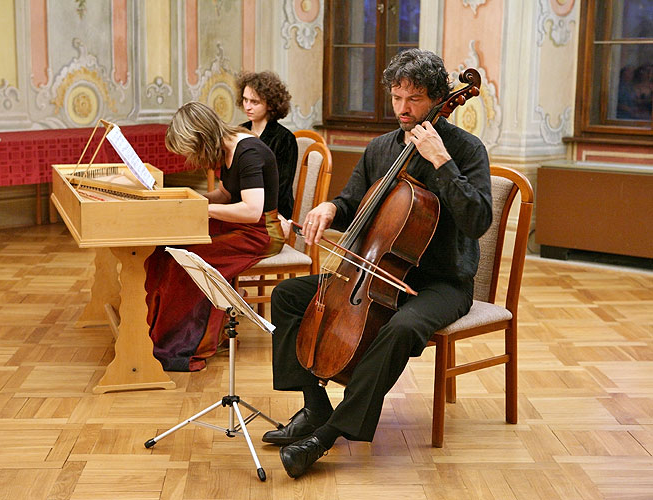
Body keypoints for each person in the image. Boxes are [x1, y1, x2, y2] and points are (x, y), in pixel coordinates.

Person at [262, 49, 493, 478]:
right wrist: (330, 208)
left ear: (441, 98)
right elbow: (353, 202)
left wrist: (442, 162)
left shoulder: (465, 149)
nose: (403, 109)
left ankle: (328, 433)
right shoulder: (382, 148)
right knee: (288, 297)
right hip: (374, 273)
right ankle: (314, 406)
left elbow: (478, 219)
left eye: (416, 98)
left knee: (401, 328)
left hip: (441, 284)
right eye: (396, 97)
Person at [144, 101, 284, 371]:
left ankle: (184, 345)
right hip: (241, 227)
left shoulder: (248, 152)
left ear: (201, 137)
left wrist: (205, 209)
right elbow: (226, 195)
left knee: (185, 260)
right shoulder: (228, 148)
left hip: (260, 233)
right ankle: (157, 331)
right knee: (166, 249)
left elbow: (252, 211)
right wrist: (190, 199)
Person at [236, 71, 298, 234]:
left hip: (273, 212)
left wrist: (249, 208)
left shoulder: (285, 139)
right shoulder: (239, 132)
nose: (247, 106)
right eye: (245, 100)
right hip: (242, 206)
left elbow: (282, 188)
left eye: (254, 102)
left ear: (270, 104)